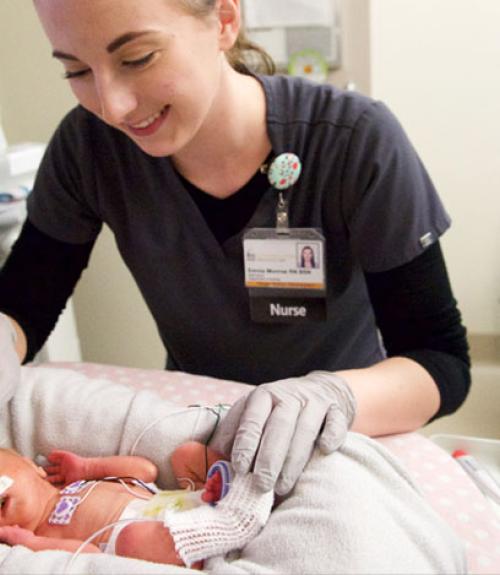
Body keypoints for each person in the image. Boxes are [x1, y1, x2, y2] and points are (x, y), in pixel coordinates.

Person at [0, 0, 470, 498]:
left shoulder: (354, 141)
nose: (112, 106)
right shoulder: (89, 148)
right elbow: (25, 306)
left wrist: (332, 397)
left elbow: (440, 361)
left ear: (224, 20)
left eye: (137, 58)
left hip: (347, 433)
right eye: (76, 69)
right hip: (195, 442)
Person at [0, 441, 273, 568]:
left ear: (31, 466)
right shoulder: (42, 535)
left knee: (186, 454)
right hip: (151, 542)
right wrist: (31, 544)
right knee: (132, 538)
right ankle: (230, 522)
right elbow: (88, 554)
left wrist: (89, 467)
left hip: (180, 503)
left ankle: (230, 485)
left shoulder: (77, 484)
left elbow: (145, 472)